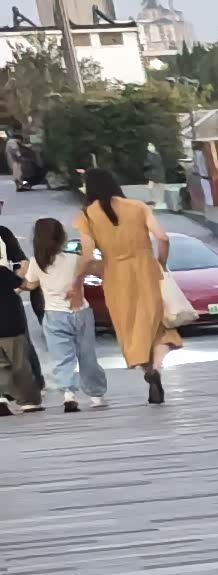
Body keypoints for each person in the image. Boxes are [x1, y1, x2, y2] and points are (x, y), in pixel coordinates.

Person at [69, 169, 173, 407]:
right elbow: (163, 237)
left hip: (115, 276)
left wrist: (78, 281)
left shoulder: (86, 215)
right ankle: (157, 368)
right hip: (147, 270)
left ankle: (149, 371)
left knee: (131, 328)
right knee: (158, 325)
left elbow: (87, 256)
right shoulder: (138, 206)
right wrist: (161, 262)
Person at [30, 217, 104, 411]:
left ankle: (68, 395)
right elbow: (98, 271)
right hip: (81, 312)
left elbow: (30, 284)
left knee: (62, 357)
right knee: (87, 355)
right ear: (61, 237)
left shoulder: (36, 263)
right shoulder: (74, 259)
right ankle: (96, 395)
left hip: (54, 314)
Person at [0, 222, 40, 414]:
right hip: (10, 321)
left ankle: (3, 397)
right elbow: (25, 281)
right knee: (20, 360)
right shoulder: (3, 272)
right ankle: (28, 399)